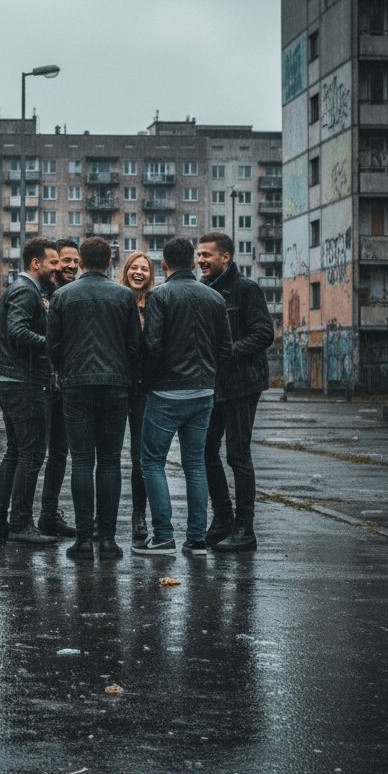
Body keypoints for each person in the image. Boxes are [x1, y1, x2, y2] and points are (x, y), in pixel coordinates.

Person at [134, 238, 233, 557]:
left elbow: (152, 345)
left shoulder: (160, 295)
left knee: (152, 461)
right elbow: (225, 349)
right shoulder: (214, 297)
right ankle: (196, 539)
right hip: (203, 391)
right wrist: (209, 379)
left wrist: (146, 383)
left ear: (164, 265)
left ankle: (163, 537)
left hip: (166, 391)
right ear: (192, 263)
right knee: (195, 464)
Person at [47, 236, 141, 559]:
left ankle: (84, 540)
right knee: (111, 461)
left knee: (82, 461)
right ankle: (109, 540)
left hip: (76, 386)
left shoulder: (61, 296)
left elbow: (53, 346)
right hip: (116, 386)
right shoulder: (125, 296)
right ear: (110, 262)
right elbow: (134, 346)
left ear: (82, 262)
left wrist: (65, 371)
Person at [197, 231, 275, 551]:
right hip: (214, 385)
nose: (200, 260)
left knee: (237, 455)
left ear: (225, 258)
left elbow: (264, 333)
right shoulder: (204, 291)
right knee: (205, 451)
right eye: (198, 255)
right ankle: (223, 519)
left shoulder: (246, 289)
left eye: (206, 255)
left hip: (243, 384)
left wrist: (229, 352)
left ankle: (245, 529)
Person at [0, 237, 59, 546]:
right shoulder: (25, 291)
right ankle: (20, 524)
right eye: (53, 262)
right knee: (31, 453)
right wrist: (53, 344)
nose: (57, 268)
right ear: (35, 263)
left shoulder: (24, 290)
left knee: (16, 452)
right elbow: (17, 332)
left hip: (12, 378)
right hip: (22, 381)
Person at [34, 238, 80, 539]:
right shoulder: (39, 294)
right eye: (66, 261)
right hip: (40, 386)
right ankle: (20, 517)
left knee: (60, 453)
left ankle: (49, 514)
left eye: (76, 262)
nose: (71, 266)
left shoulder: (74, 294)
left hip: (66, 387)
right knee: (32, 453)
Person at [118, 251, 155, 543]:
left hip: (145, 388)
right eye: (134, 267)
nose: (139, 272)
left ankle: (138, 516)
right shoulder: (117, 300)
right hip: (117, 385)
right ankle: (100, 519)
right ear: (126, 271)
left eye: (144, 268)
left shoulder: (156, 303)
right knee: (107, 456)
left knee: (140, 459)